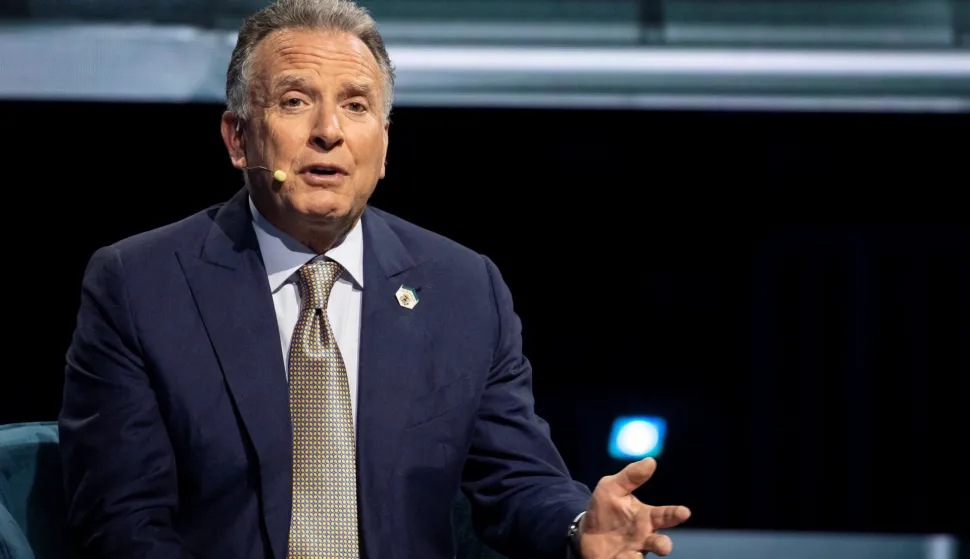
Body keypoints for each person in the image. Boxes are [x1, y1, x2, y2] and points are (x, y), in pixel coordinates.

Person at [58, 0, 691, 557]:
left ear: (383, 148)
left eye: (355, 106)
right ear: (239, 139)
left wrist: (580, 526)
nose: (328, 131)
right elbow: (122, 522)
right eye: (295, 101)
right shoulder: (141, 285)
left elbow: (516, 480)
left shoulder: (464, 289)